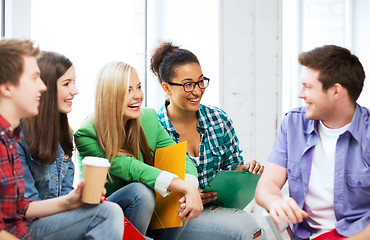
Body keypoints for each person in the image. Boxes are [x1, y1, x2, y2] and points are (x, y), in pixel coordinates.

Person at [0, 39, 124, 240]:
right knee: (108, 213)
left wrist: (72, 201)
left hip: (34, 225)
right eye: (34, 79)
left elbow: (19, 206)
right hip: (30, 229)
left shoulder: (9, 138)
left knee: (114, 207)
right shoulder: (13, 139)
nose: (42, 87)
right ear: (7, 87)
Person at [74, 61, 203, 239]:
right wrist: (185, 187)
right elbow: (131, 168)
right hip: (105, 214)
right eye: (127, 90)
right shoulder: (88, 134)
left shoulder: (149, 119)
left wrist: (190, 187)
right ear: (110, 96)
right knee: (140, 192)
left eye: (139, 87)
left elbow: (180, 157)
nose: (137, 96)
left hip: (148, 215)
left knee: (177, 191)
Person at [151, 41, 265, 240]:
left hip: (217, 211)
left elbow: (232, 168)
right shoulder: (154, 127)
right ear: (167, 88)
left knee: (249, 226)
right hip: (177, 220)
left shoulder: (218, 119)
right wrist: (187, 195)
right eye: (188, 84)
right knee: (247, 227)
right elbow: (148, 188)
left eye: (201, 81)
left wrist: (246, 172)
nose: (197, 91)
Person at [255, 45, 370, 240]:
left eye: (308, 87)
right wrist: (275, 201)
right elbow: (265, 187)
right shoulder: (293, 124)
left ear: (336, 91)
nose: (300, 94)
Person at [17, 51, 78, 200]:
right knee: (106, 212)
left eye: (74, 82)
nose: (75, 91)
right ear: (45, 88)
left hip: (59, 215)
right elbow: (28, 203)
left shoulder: (66, 133)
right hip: (34, 219)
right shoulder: (19, 136)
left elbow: (66, 192)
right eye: (66, 83)